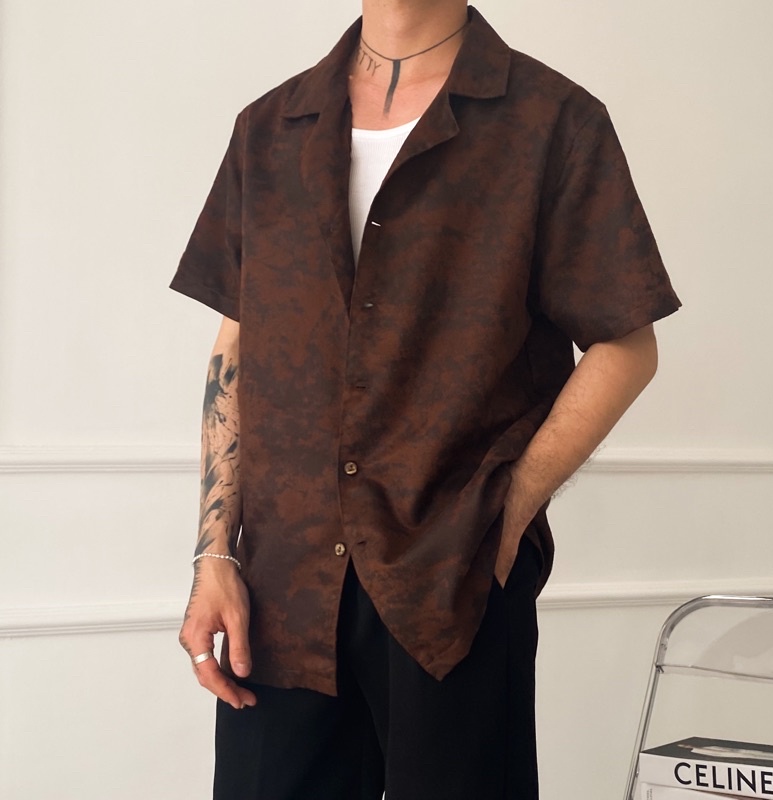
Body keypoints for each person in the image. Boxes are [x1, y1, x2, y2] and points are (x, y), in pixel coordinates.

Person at [169, 1, 681, 798]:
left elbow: (625, 345)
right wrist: (214, 555)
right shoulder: (270, 128)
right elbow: (238, 344)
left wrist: (506, 512)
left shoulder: (552, 121)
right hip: (281, 590)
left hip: (450, 580)